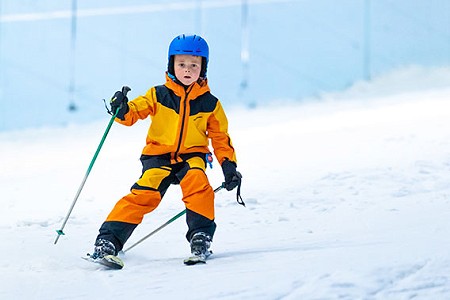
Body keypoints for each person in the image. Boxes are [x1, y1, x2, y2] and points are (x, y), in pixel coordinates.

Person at [90, 34, 242, 261]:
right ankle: (108, 240)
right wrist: (122, 110)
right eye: (181, 64)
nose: (187, 70)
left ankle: (200, 236)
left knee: (198, 185)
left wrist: (229, 166)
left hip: (192, 156)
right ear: (172, 65)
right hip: (158, 157)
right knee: (144, 193)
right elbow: (135, 111)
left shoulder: (210, 104)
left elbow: (221, 138)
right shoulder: (158, 94)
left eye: (194, 65)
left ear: (204, 68)